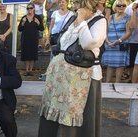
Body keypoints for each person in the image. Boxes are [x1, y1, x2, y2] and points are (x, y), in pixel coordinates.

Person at [38, 0, 107, 136]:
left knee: (76, 115)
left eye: (76, 2)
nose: (73, 6)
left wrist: (81, 21)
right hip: (62, 78)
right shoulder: (72, 18)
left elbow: (89, 43)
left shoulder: (99, 20)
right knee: (55, 114)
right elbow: (62, 43)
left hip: (83, 79)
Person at [101, 0, 133, 83]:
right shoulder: (110, 17)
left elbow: (129, 33)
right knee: (109, 65)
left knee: (120, 65)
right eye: (119, 5)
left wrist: (118, 41)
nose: (121, 7)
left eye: (123, 5)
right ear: (115, 7)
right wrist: (107, 41)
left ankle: (117, 84)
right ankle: (107, 84)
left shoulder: (128, 17)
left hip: (121, 44)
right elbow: (105, 30)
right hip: (110, 44)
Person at [18, 2, 44, 76]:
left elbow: (42, 28)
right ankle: (26, 70)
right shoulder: (24, 17)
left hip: (34, 38)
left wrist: (38, 23)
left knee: (32, 54)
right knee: (26, 54)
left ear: (34, 9)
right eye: (28, 8)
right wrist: (22, 23)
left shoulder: (37, 17)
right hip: (25, 38)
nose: (29, 10)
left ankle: (31, 70)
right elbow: (19, 29)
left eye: (31, 8)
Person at [125, 1, 138, 83]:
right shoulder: (130, 7)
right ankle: (132, 79)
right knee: (132, 62)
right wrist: (134, 11)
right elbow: (132, 25)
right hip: (132, 39)